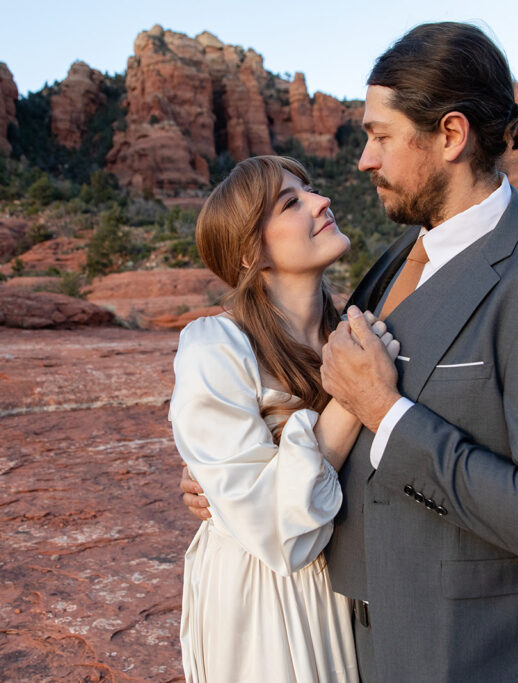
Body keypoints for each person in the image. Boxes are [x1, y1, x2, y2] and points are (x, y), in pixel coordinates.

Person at [184, 22, 518, 682]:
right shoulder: (389, 265)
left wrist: (388, 413)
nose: (363, 160)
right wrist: (234, 488)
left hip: (452, 654)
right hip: (330, 639)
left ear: (449, 135)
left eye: (380, 136)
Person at [170, 155, 399, 683]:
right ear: (251, 250)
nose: (322, 203)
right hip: (262, 595)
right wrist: (354, 395)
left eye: (311, 190)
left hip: (350, 583)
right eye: (291, 203)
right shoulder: (215, 347)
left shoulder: (357, 328)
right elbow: (275, 529)